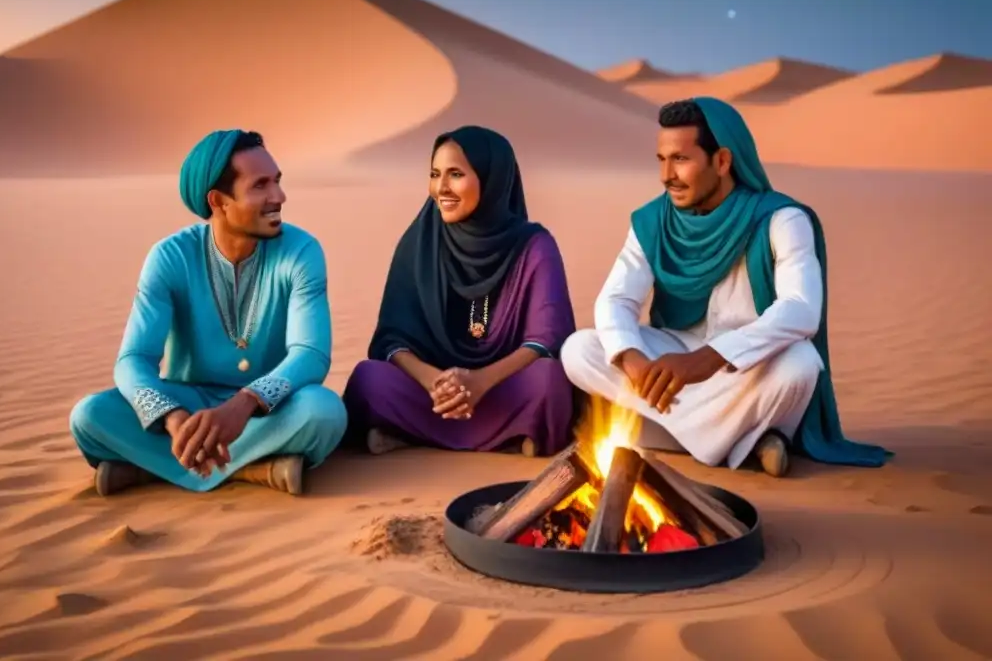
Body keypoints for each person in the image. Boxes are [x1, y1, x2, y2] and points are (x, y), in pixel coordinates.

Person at [560, 98, 891, 477]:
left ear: (722, 161)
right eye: (661, 159)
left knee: (800, 365)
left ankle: (673, 434)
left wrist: (708, 359)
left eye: (681, 159)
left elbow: (801, 308)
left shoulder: (780, 219)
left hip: (745, 363)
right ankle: (746, 440)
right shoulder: (653, 221)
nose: (666, 175)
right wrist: (635, 362)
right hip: (674, 357)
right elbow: (617, 300)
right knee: (579, 349)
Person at [69, 129, 347, 496]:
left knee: (323, 412)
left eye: (277, 182)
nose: (279, 197)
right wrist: (172, 418)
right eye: (260, 186)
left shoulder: (301, 251)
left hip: (266, 412)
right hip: (189, 407)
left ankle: (152, 470)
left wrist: (245, 403)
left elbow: (310, 355)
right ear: (219, 201)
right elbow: (134, 359)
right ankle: (254, 471)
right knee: (88, 417)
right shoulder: (170, 257)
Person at [342, 126, 577, 457]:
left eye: (455, 174)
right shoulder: (420, 242)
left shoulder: (534, 245)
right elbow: (392, 340)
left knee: (548, 380)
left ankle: (410, 437)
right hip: (434, 396)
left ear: (491, 179)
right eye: (435, 174)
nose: (441, 188)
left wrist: (480, 382)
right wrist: (434, 382)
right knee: (369, 378)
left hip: (501, 387)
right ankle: (509, 442)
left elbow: (545, 340)